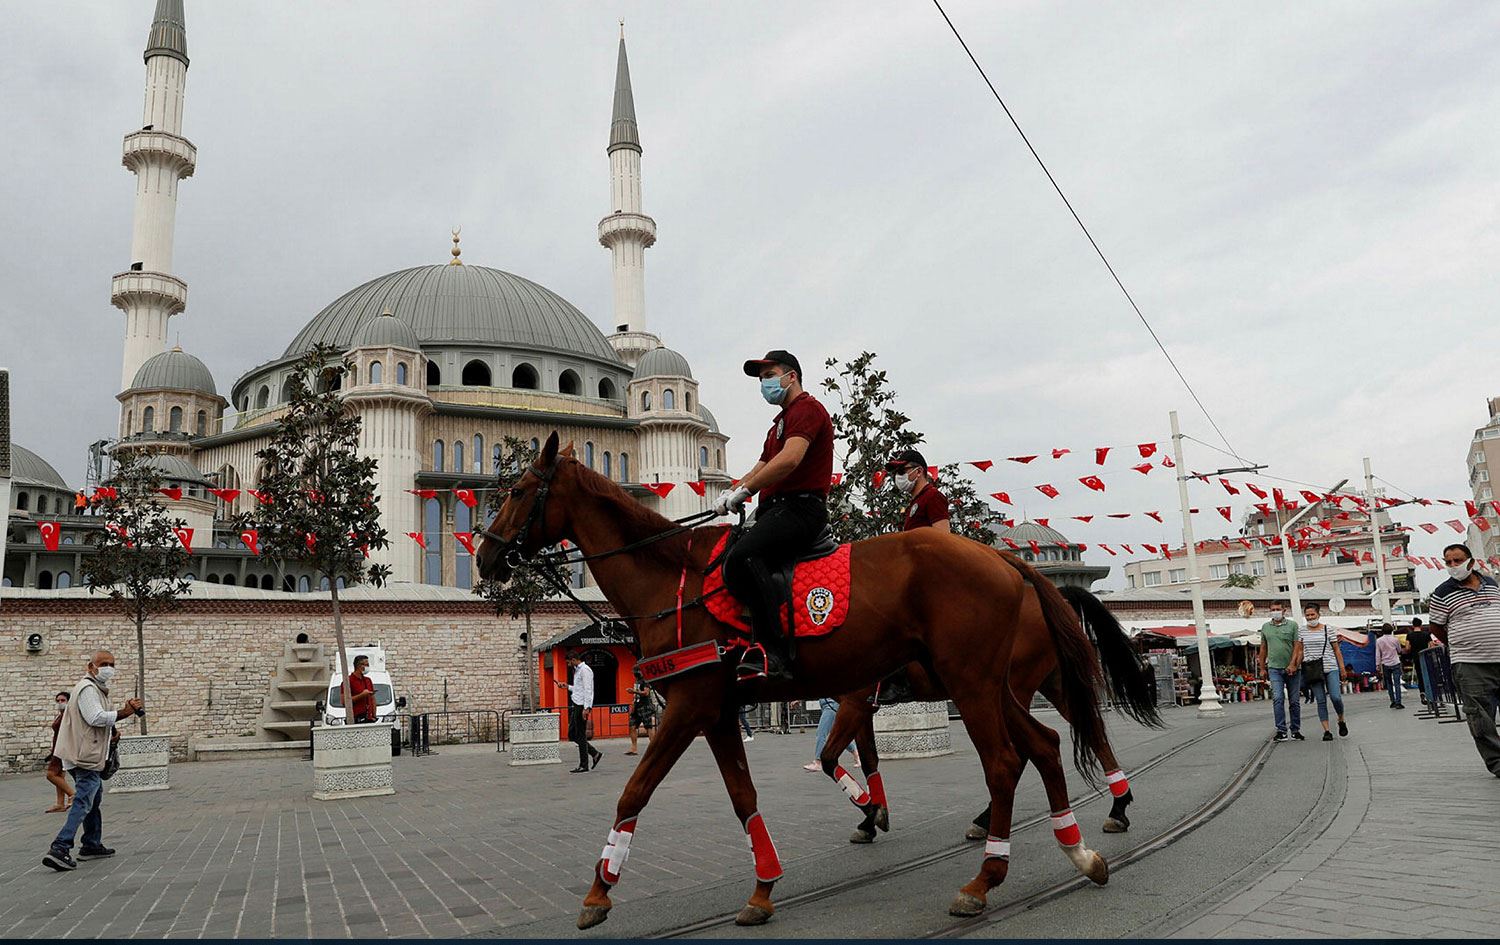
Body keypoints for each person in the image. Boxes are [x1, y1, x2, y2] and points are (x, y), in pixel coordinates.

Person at [716, 350, 834, 681]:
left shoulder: (807, 409)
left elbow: (790, 459)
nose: (764, 384)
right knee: (727, 556)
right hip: (776, 508)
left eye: (769, 376)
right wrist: (733, 489)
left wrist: (746, 490)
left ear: (791, 376)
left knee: (744, 557)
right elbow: (765, 463)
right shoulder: (780, 422)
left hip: (800, 508)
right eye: (761, 379)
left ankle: (773, 651)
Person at [43, 649, 143, 872]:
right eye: (104, 663)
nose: (108, 668)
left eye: (112, 664)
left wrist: (113, 730)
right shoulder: (88, 688)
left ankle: (91, 844)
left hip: (85, 754)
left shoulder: (96, 689)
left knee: (93, 798)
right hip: (84, 756)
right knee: (84, 800)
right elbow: (95, 717)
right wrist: (125, 712)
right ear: (91, 666)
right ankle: (60, 847)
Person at [1427, 543, 1500, 776]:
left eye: (1457, 560)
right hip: (1469, 662)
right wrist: (1461, 641)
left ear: (1471, 560)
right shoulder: (1442, 592)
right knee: (1480, 716)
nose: (1453, 566)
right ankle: (1498, 763)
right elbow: (1436, 627)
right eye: (1448, 562)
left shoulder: (1491, 583)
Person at [1298, 604, 1350, 741]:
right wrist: (1295, 665)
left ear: (1318, 615)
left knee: (1335, 697)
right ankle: (1327, 730)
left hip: (1330, 667)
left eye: (1312, 615)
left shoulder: (1329, 629)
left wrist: (1342, 668)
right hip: (1312, 670)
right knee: (1321, 701)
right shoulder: (1301, 631)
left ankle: (1341, 719)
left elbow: (1336, 650)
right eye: (1307, 615)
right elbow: (1300, 650)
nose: (1310, 618)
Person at [1258, 603, 1305, 742]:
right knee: (1277, 698)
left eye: (1278, 609)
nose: (1275, 612)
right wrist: (1261, 668)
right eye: (1273, 610)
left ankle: (1295, 730)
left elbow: (1297, 647)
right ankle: (1281, 730)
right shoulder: (1266, 627)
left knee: (1294, 701)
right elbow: (1263, 648)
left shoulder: (1292, 625)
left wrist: (1293, 664)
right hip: (1274, 668)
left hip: (1293, 669)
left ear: (1284, 610)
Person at [556, 653, 602, 773]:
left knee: (580, 734)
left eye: (568, 662)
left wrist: (586, 708)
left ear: (573, 659)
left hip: (582, 705)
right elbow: (579, 688)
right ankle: (594, 753)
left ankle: (584, 764)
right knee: (572, 734)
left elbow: (588, 690)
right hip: (576, 703)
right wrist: (567, 687)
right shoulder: (577, 670)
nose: (568, 664)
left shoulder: (585, 670)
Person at [887, 449, 950, 532]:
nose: (898, 476)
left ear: (919, 471)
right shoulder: (916, 501)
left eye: (902, 471)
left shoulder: (933, 496)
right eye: (896, 472)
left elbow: (943, 537)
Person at [803, 697, 858, 772]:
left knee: (821, 733)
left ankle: (818, 762)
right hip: (829, 705)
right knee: (838, 735)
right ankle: (856, 754)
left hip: (830, 706)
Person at [45, 691, 75, 813]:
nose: (60, 703)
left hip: (61, 748)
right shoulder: (61, 714)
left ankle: (72, 794)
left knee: (51, 775)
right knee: (59, 776)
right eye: (58, 701)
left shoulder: (69, 714)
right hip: (57, 748)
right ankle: (60, 803)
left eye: (62, 700)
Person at [1374, 623, 1406, 710]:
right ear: (1392, 630)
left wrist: (1377, 664)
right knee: (1397, 683)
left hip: (1385, 664)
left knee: (1389, 683)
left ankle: (1392, 701)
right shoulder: (1395, 640)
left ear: (1382, 631)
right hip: (1395, 662)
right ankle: (1399, 702)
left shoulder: (1379, 641)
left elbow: (1378, 654)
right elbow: (1399, 650)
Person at [624, 670, 656, 755]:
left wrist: (634, 691)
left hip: (645, 706)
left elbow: (646, 693)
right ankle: (633, 748)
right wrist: (633, 705)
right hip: (637, 706)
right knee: (632, 726)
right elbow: (636, 696)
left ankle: (654, 748)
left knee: (648, 727)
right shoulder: (637, 681)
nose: (635, 673)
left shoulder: (645, 681)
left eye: (637, 671)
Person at [348, 654, 377, 723]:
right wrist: (362, 695)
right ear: (360, 666)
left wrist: (374, 715)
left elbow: (372, 699)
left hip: (369, 718)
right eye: (367, 665)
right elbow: (345, 701)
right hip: (357, 719)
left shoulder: (368, 680)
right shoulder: (349, 681)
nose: (368, 667)